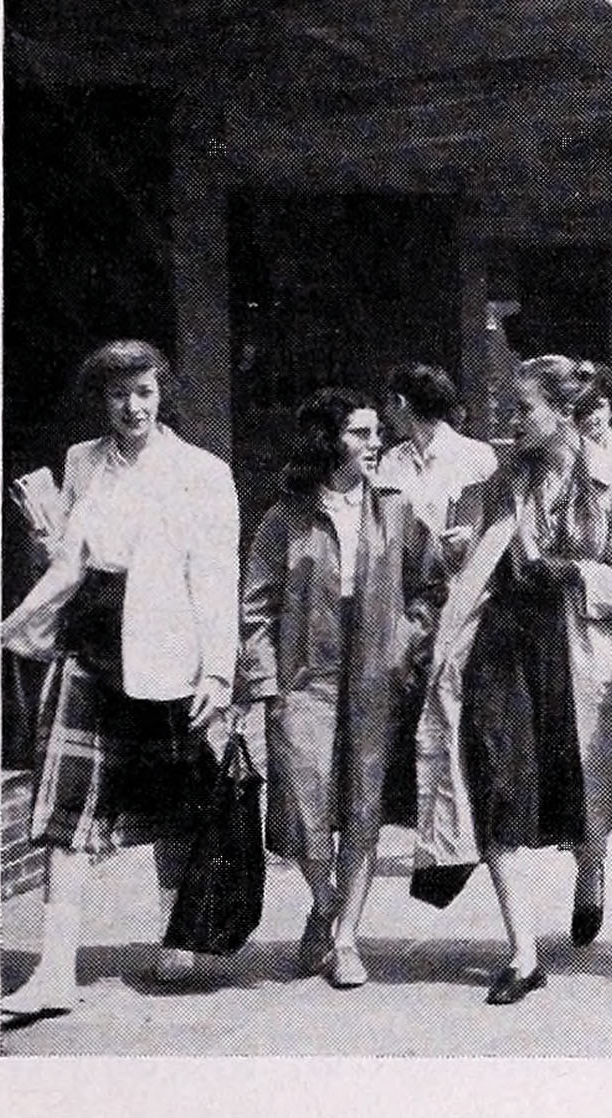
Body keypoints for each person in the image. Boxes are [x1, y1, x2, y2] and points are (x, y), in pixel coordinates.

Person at [414, 355, 612, 1005]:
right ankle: (523, 954)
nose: (513, 423)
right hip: (505, 650)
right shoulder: (500, 482)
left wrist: (572, 574)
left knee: (585, 788)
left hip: (581, 650)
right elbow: (462, 565)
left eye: (523, 410)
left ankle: (590, 866)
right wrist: (450, 557)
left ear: (564, 412)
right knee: (498, 785)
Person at [0, 340, 240, 1020]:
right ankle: (53, 969)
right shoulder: (82, 461)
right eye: (117, 395)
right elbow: (73, 556)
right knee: (64, 806)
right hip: (90, 643)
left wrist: (218, 672)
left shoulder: (202, 472)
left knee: (170, 799)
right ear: (100, 400)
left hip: (167, 648)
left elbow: (216, 578)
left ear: (162, 393)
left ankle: (176, 932)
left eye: (143, 391)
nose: (131, 406)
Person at [237, 388, 444, 989]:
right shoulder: (286, 516)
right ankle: (324, 902)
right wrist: (264, 682)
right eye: (361, 433)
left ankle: (346, 934)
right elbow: (257, 609)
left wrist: (408, 638)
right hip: (307, 675)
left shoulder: (397, 509)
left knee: (362, 806)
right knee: (305, 802)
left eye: (378, 431)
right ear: (330, 441)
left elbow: (429, 586)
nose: (376, 443)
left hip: (376, 672)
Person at [377, 362, 498, 543]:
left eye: (387, 403)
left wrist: (472, 536)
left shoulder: (478, 456)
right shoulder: (390, 460)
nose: (385, 413)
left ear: (399, 402)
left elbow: (499, 527)